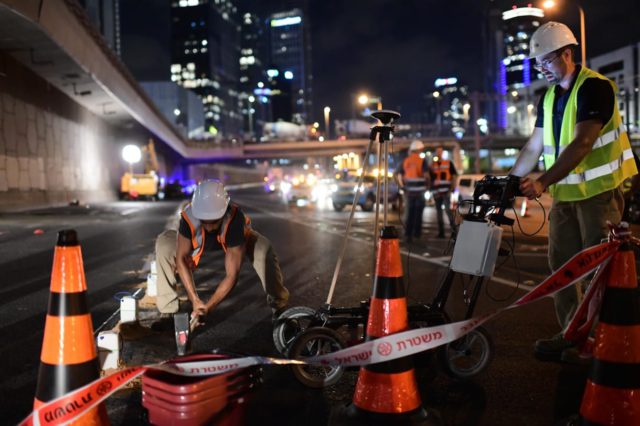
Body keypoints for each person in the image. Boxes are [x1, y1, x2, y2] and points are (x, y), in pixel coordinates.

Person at [509, 22, 637, 363]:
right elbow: (534, 145)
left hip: (599, 194)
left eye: (547, 61)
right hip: (566, 196)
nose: (542, 69)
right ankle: (574, 335)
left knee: (600, 271)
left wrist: (542, 181)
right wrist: (508, 182)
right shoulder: (548, 97)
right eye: (538, 64)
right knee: (561, 268)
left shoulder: (595, 88)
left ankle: (608, 340)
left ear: (567, 53)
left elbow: (583, 142)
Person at [154, 179, 289, 323]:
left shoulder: (235, 220)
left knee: (264, 249)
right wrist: (194, 299)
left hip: (233, 241)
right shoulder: (188, 218)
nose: (209, 227)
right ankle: (167, 312)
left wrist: (208, 307)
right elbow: (181, 259)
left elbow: (232, 275)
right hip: (197, 242)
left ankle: (280, 308)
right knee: (164, 243)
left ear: (224, 211)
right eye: (204, 220)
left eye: (213, 220)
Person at [396, 140, 430, 241]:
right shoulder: (422, 161)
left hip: (409, 192)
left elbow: (396, 174)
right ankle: (417, 234)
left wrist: (401, 186)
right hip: (420, 191)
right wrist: (428, 186)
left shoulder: (405, 161)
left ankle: (408, 234)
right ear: (420, 149)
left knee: (409, 213)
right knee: (418, 213)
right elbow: (426, 176)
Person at [429, 146, 458, 238]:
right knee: (439, 213)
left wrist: (452, 189)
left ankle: (454, 231)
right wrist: (432, 192)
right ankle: (441, 233)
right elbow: (430, 180)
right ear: (436, 153)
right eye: (437, 151)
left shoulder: (448, 163)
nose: (439, 153)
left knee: (448, 211)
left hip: (446, 192)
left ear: (442, 152)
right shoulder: (432, 165)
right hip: (436, 193)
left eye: (440, 151)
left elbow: (454, 176)